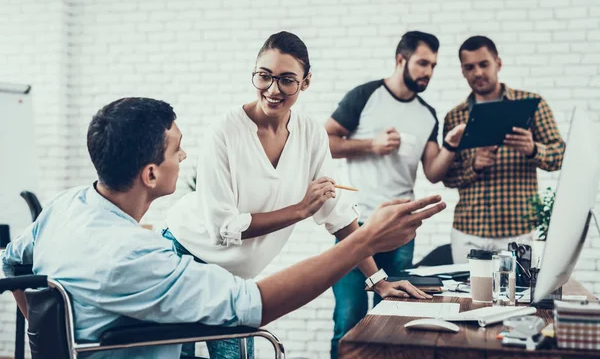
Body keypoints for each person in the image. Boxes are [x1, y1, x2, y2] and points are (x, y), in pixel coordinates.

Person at [1, 97, 447, 359]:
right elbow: (253, 306)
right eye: (177, 149)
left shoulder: (68, 206)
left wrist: (53, 344)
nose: (185, 157)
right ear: (151, 174)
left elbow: (11, 263)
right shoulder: (134, 257)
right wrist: (367, 239)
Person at [165, 31, 433, 358]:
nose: (273, 89)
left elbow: (338, 215)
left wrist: (379, 280)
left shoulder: (310, 135)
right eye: (264, 76)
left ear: (305, 83)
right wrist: (299, 210)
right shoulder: (225, 131)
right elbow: (224, 229)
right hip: (186, 255)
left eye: (287, 80)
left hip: (234, 275)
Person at [324, 30, 465, 358]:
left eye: (433, 66)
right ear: (401, 59)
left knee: (392, 320)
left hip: (402, 230)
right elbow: (326, 141)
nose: (427, 72)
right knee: (348, 321)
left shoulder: (427, 114)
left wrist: (451, 146)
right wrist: (370, 145)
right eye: (422, 63)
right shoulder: (365, 95)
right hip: (355, 226)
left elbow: (433, 170)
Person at [442, 36, 565, 263]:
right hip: (467, 232)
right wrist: (473, 166)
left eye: (484, 64)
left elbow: (560, 156)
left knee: (518, 299)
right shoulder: (455, 117)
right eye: (470, 67)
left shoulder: (532, 104)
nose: (477, 72)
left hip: (518, 233)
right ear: (462, 71)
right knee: (468, 299)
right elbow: (447, 178)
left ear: (498, 63)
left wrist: (532, 149)